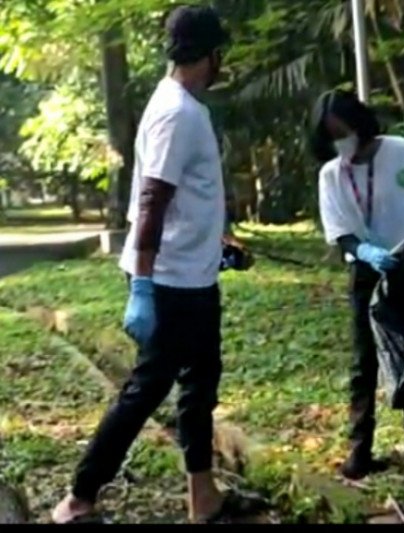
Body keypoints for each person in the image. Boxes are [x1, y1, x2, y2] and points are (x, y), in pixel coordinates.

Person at [52, 5, 254, 524]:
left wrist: (217, 244)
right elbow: (151, 201)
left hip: (193, 274)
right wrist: (141, 285)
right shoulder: (177, 113)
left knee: (200, 384)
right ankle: (78, 499)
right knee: (148, 391)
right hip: (168, 283)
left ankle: (202, 498)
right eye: (220, 56)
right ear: (211, 55)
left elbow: (185, 198)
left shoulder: (181, 104)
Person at [312, 89, 404, 480]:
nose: (343, 142)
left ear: (360, 124)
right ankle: (360, 447)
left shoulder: (400, 151)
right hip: (369, 269)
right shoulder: (331, 175)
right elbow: (340, 233)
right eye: (332, 137)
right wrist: (365, 252)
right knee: (364, 359)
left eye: (345, 132)